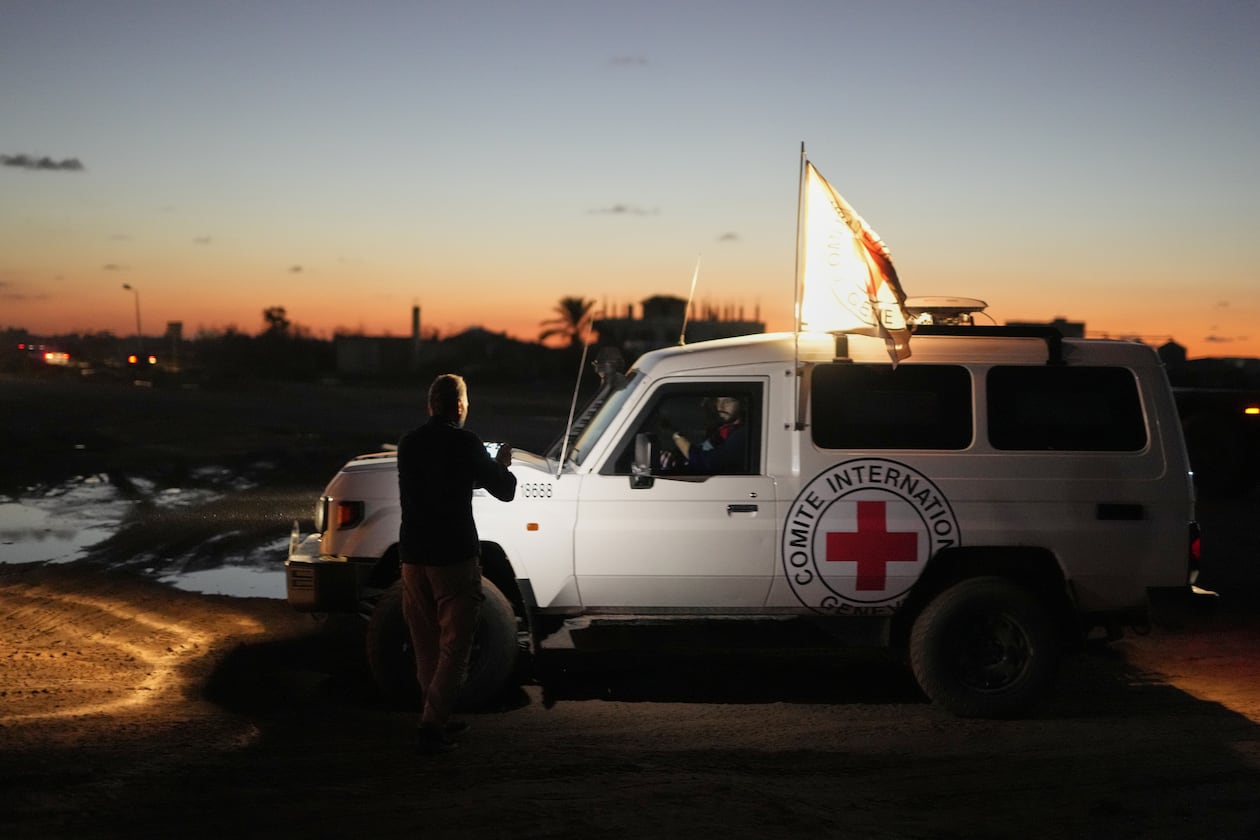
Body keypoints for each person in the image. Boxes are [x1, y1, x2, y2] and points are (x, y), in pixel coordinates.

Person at [396, 373, 516, 754]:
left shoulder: (408, 443)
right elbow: (505, 490)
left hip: (412, 557)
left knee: (425, 643)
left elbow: (437, 479)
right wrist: (501, 464)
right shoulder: (466, 443)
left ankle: (435, 715)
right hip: (454, 557)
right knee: (455, 645)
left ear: (431, 405)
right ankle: (432, 726)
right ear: (461, 406)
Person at [662, 395, 749, 474]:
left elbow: (704, 461)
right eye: (718, 401)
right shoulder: (722, 429)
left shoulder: (742, 434)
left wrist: (675, 434)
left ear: (742, 404)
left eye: (727, 401)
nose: (720, 407)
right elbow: (702, 451)